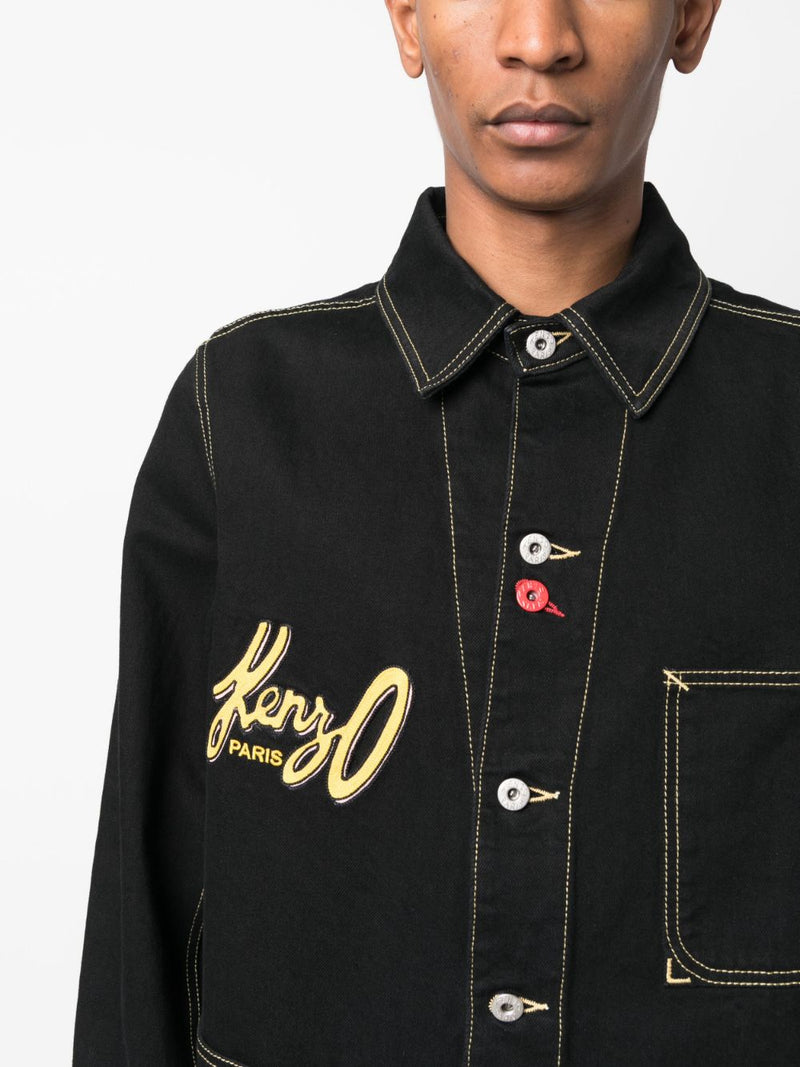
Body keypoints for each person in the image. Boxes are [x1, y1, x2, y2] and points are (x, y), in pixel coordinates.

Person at [73, 1, 800, 1064]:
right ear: (406, 21)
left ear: (690, 20)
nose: (538, 39)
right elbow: (142, 921)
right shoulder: (243, 416)